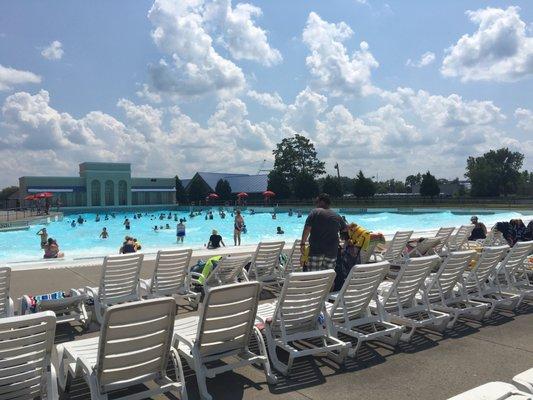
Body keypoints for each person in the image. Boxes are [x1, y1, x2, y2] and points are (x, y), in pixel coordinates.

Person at [301, 193, 347, 271]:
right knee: (327, 277)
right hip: (332, 252)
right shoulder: (337, 215)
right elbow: (345, 232)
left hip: (316, 250)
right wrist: (344, 247)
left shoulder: (315, 212)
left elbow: (307, 229)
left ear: (322, 202)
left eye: (317, 201)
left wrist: (302, 243)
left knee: (314, 277)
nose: (316, 204)